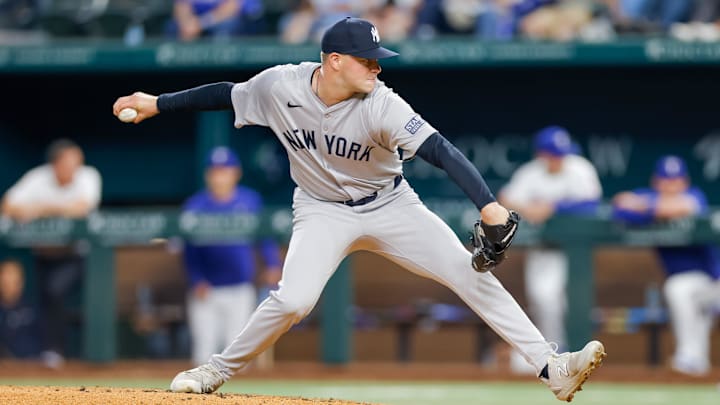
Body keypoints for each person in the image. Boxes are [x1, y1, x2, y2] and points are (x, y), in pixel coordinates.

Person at [113, 17, 605, 401]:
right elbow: (225, 94)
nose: (377, 67)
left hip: (391, 204)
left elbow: (441, 150)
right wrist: (158, 102)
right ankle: (214, 371)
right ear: (332, 61)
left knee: (468, 272)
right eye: (367, 60)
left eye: (377, 60)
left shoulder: (382, 103)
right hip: (321, 210)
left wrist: (490, 206)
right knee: (292, 302)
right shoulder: (280, 86)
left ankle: (551, 367)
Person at [498, 126, 602, 374]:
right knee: (543, 298)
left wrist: (553, 207)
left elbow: (592, 204)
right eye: (553, 154)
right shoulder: (530, 173)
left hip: (577, 250)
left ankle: (572, 352)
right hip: (543, 248)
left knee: (571, 302)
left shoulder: (579, 167)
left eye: (561, 154)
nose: (558, 159)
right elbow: (505, 198)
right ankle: (552, 354)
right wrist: (527, 208)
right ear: (541, 155)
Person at [612, 155, 720, 376]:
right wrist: (651, 206)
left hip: (713, 278)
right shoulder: (651, 198)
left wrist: (646, 208)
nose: (671, 185)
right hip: (697, 284)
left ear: (685, 182)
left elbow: (682, 207)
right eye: (665, 180)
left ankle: (691, 359)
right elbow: (620, 204)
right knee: (682, 292)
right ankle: (692, 364)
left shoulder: (695, 196)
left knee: (680, 290)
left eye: (676, 180)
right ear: (656, 182)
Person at [0, 138, 102, 366]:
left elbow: (82, 207)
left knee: (54, 289)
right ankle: (46, 352)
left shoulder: (88, 175)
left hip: (77, 254)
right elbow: (7, 205)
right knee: (41, 296)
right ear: (55, 164)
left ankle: (57, 350)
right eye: (69, 163)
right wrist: (47, 210)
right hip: (43, 254)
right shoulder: (39, 177)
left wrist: (41, 209)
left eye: (77, 162)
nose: (74, 168)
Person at [182, 146, 282, 366]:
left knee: (237, 354)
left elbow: (264, 237)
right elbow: (188, 250)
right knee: (203, 352)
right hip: (206, 291)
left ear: (236, 172)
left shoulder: (250, 200)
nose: (220, 177)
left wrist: (273, 263)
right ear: (208, 175)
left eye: (225, 170)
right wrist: (196, 279)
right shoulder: (195, 206)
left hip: (240, 287)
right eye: (215, 171)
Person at [0, 260, 43, 361]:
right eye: (6, 282)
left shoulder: (33, 310)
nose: (10, 287)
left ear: (21, 283)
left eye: (15, 282)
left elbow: (47, 347)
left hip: (33, 368)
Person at [168, 0, 265, 42]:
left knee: (227, 26)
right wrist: (186, 24)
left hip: (229, 20)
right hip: (196, 22)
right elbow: (181, 5)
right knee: (173, 26)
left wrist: (201, 24)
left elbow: (232, 8)